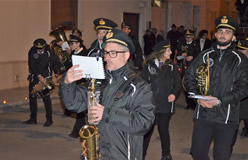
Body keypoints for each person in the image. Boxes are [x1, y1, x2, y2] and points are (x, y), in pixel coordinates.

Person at [59, 29, 155, 160]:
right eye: (106, 52)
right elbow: (74, 104)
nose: (106, 57)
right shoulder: (97, 80)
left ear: (126, 55)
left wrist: (107, 113)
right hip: (94, 154)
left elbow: (143, 123)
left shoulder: (139, 86)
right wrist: (67, 83)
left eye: (113, 53)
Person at [184, 15, 248, 160]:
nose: (222, 34)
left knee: (221, 156)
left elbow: (244, 88)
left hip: (226, 116)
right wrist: (197, 97)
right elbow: (189, 77)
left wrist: (219, 100)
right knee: (197, 153)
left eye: (227, 32)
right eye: (220, 31)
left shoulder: (240, 60)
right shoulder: (204, 55)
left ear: (233, 38)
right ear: (216, 34)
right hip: (203, 114)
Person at [141, 40, 181, 160]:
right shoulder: (149, 66)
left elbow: (178, 83)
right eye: (168, 50)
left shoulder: (172, 67)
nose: (170, 52)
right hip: (151, 104)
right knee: (147, 131)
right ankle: (141, 154)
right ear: (162, 52)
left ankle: (166, 154)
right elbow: (142, 83)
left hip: (165, 104)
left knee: (163, 129)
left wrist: (174, 94)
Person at [23, 38, 61, 127]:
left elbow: (55, 62)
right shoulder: (32, 51)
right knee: (32, 97)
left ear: (44, 46)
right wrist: (38, 75)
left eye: (41, 49)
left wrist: (56, 72)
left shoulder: (50, 52)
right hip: (34, 77)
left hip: (46, 78)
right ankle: (33, 118)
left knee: (46, 98)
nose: (40, 51)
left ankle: (49, 119)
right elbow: (32, 64)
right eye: (38, 49)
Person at [67, 34, 88, 138]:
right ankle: (81, 129)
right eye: (70, 43)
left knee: (81, 107)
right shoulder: (73, 53)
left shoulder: (85, 53)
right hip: (75, 82)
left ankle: (76, 131)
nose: (70, 45)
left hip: (83, 83)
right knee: (81, 108)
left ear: (78, 44)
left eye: (72, 43)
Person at [177, 29, 200, 110]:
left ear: (193, 37)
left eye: (189, 37)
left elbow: (198, 55)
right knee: (185, 86)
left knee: (192, 86)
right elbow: (178, 56)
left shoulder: (195, 44)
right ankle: (188, 103)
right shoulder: (182, 45)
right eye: (186, 37)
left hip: (192, 69)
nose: (188, 39)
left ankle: (194, 103)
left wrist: (192, 57)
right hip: (184, 68)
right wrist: (181, 55)